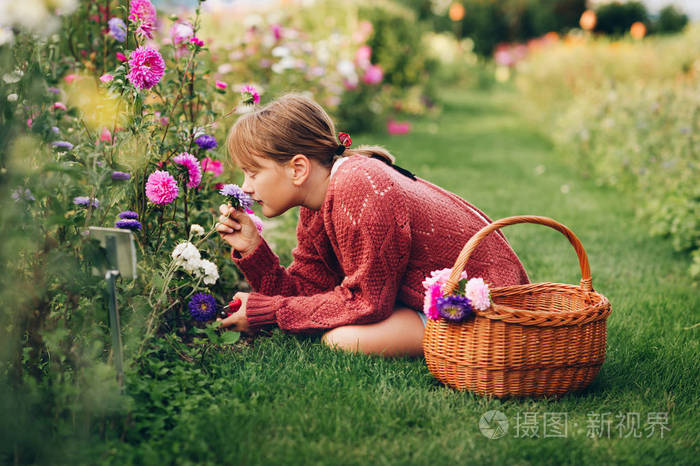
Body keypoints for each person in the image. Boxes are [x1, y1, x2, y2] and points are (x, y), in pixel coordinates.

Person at [215, 94, 529, 357]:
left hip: (488, 305)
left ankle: (463, 337)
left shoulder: (359, 187)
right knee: (334, 326)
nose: (245, 187)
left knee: (341, 340)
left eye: (253, 173)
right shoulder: (318, 203)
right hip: (423, 300)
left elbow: (367, 303)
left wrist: (268, 312)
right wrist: (253, 250)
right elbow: (308, 293)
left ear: (298, 168)